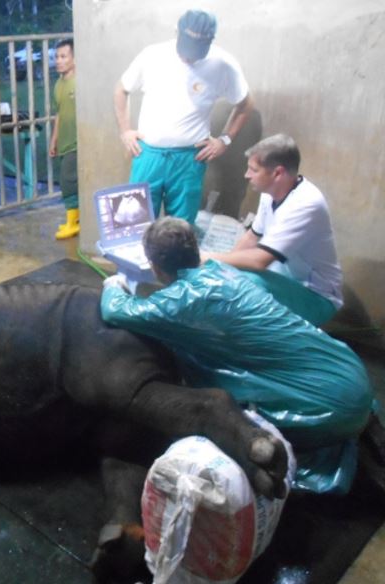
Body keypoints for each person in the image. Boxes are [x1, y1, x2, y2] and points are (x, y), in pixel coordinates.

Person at [100, 217, 373, 494]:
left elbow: (116, 310)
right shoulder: (227, 273)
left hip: (332, 407)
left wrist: (114, 284)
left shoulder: (183, 300)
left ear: (155, 267)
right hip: (354, 373)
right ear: (195, 250)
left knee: (221, 415)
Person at [113, 9, 253, 224]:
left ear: (210, 41)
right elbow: (121, 89)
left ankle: (175, 259)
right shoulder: (152, 55)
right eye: (187, 48)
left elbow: (245, 104)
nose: (190, 56)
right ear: (176, 32)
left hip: (189, 159)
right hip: (147, 153)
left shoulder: (223, 64)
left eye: (198, 50)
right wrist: (125, 131)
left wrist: (225, 140)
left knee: (180, 228)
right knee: (133, 223)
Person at [202, 134, 342, 326]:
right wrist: (221, 269)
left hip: (314, 295)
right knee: (225, 278)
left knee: (242, 287)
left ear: (277, 173)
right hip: (283, 278)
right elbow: (252, 237)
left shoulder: (306, 203)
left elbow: (260, 260)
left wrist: (207, 257)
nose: (246, 175)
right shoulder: (270, 193)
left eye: (253, 170)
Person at [49, 38, 79, 240]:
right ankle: (73, 219)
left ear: (74, 59)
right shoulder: (58, 85)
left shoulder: (80, 82)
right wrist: (54, 140)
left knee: (68, 180)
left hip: (78, 142)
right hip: (65, 142)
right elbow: (58, 114)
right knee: (69, 179)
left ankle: (73, 222)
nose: (58, 61)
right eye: (56, 57)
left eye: (63, 56)